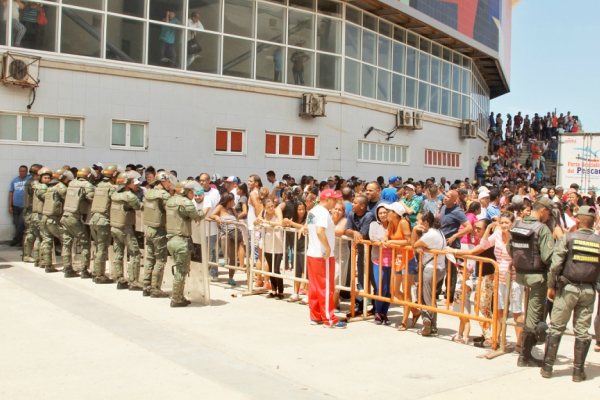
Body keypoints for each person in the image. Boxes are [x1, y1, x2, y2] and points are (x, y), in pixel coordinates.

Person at [541, 206, 600, 381]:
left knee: (556, 327)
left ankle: (547, 367)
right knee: (582, 332)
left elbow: (555, 265)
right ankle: (577, 371)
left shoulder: (568, 238)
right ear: (593, 221)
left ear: (577, 220)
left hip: (567, 289)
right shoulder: (598, 241)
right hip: (588, 291)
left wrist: (551, 285)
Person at [507, 197, 555, 367]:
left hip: (520, 274)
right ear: (543, 210)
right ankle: (525, 356)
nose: (548, 217)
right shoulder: (542, 229)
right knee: (533, 317)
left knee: (526, 312)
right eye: (548, 213)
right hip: (537, 278)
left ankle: (525, 352)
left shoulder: (517, 225)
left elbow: (509, 248)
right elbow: (548, 256)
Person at [306, 189, 346, 328]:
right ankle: (329, 318)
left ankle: (316, 315)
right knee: (326, 287)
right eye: (334, 199)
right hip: (323, 255)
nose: (336, 202)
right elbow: (319, 230)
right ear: (327, 199)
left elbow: (310, 228)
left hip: (312, 253)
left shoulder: (313, 211)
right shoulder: (323, 212)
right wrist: (328, 248)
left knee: (314, 287)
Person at [166, 180, 205, 307]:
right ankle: (176, 298)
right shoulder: (186, 203)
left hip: (171, 239)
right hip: (181, 240)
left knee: (179, 269)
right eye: (191, 192)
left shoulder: (171, 200)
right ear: (185, 191)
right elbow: (197, 216)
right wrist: (205, 211)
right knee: (181, 271)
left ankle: (179, 296)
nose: (193, 195)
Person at [381, 202, 419, 330]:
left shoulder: (403, 223)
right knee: (395, 291)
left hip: (408, 259)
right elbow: (386, 236)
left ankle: (404, 322)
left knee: (406, 292)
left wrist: (392, 241)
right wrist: (385, 240)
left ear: (396, 213)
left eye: (389, 211)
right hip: (397, 259)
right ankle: (415, 310)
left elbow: (409, 241)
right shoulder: (392, 223)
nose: (387, 213)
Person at [413, 211, 446, 336]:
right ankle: (431, 324)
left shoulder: (430, 234)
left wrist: (415, 231)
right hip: (439, 268)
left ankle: (429, 322)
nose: (417, 223)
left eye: (418, 221)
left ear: (425, 223)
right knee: (428, 297)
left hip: (431, 269)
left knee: (426, 298)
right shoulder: (439, 232)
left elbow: (413, 244)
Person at [141, 171, 174, 297]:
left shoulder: (149, 192)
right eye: (168, 181)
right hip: (159, 230)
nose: (170, 183)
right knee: (160, 260)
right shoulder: (164, 195)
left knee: (149, 258)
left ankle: (146, 285)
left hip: (149, 228)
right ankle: (155, 288)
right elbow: (171, 209)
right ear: (162, 180)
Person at [110, 171, 143, 290]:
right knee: (135, 254)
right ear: (127, 183)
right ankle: (133, 282)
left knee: (118, 253)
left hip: (115, 227)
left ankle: (120, 279)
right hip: (126, 229)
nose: (136, 184)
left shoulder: (115, 194)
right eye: (133, 182)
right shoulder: (129, 196)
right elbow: (140, 206)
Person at [89, 164, 122, 283]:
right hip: (103, 220)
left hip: (93, 219)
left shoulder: (98, 186)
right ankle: (100, 275)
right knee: (102, 248)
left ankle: (95, 271)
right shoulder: (112, 188)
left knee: (98, 247)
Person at [60, 167, 95, 278]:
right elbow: (91, 198)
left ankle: (67, 269)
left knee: (67, 243)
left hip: (65, 215)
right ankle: (84, 270)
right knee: (85, 243)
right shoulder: (87, 185)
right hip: (75, 217)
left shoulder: (72, 183)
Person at [345, 195, 376, 316]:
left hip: (371, 254)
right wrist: (354, 232)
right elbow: (346, 230)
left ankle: (376, 307)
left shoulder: (369, 216)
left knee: (373, 281)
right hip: (361, 253)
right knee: (361, 280)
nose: (352, 204)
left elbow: (362, 236)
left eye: (355, 203)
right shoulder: (352, 214)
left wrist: (357, 233)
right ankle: (359, 306)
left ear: (362, 206)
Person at [39, 168, 73, 273]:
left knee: (47, 241)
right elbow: (68, 201)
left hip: (45, 217)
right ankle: (67, 267)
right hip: (53, 219)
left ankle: (47, 265)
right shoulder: (61, 187)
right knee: (66, 240)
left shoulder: (50, 186)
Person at [210, 193, 245, 287]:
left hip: (235, 233)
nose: (234, 202)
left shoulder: (233, 210)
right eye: (233, 200)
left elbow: (237, 219)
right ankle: (225, 259)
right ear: (228, 201)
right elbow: (211, 215)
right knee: (224, 238)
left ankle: (231, 277)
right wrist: (217, 217)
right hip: (225, 232)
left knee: (233, 256)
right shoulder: (220, 207)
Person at [255, 198, 284, 298]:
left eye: (272, 205)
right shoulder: (263, 213)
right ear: (264, 207)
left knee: (276, 269)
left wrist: (267, 223)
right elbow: (256, 221)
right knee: (271, 268)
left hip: (277, 242)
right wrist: (258, 221)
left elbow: (280, 223)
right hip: (268, 242)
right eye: (269, 207)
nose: (271, 208)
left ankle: (281, 290)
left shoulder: (277, 211)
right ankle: (273, 289)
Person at [369, 204, 393, 325]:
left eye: (385, 212)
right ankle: (378, 312)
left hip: (392, 261)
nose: (383, 215)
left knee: (389, 289)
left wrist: (386, 240)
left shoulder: (394, 224)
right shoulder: (374, 224)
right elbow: (372, 237)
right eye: (380, 213)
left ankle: (385, 312)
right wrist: (387, 239)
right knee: (380, 288)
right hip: (379, 260)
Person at [283, 200, 309, 303]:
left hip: (305, 247)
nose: (301, 211)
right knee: (297, 271)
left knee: (306, 272)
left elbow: (305, 227)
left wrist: (291, 223)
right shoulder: (293, 218)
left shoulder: (308, 217)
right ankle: (295, 292)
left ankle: (308, 293)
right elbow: (285, 223)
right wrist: (285, 222)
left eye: (303, 209)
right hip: (296, 247)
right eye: (299, 209)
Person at [31, 166, 52, 267]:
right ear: (40, 178)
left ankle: (37, 260)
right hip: (40, 215)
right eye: (45, 178)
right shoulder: (43, 187)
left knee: (38, 238)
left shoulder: (36, 186)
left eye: (48, 178)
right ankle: (45, 262)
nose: (47, 180)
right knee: (46, 238)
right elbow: (47, 198)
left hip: (35, 215)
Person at [21, 164, 42, 263]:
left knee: (33, 233)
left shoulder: (31, 182)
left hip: (30, 210)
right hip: (30, 211)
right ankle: (27, 255)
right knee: (30, 233)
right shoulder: (33, 184)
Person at [8, 165, 29, 246]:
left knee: (21, 223)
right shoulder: (14, 180)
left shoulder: (29, 180)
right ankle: (20, 240)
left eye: (23, 171)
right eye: (20, 171)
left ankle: (16, 239)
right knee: (16, 222)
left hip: (24, 206)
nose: (22, 173)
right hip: (15, 205)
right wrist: (10, 206)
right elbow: (11, 193)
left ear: (26, 172)